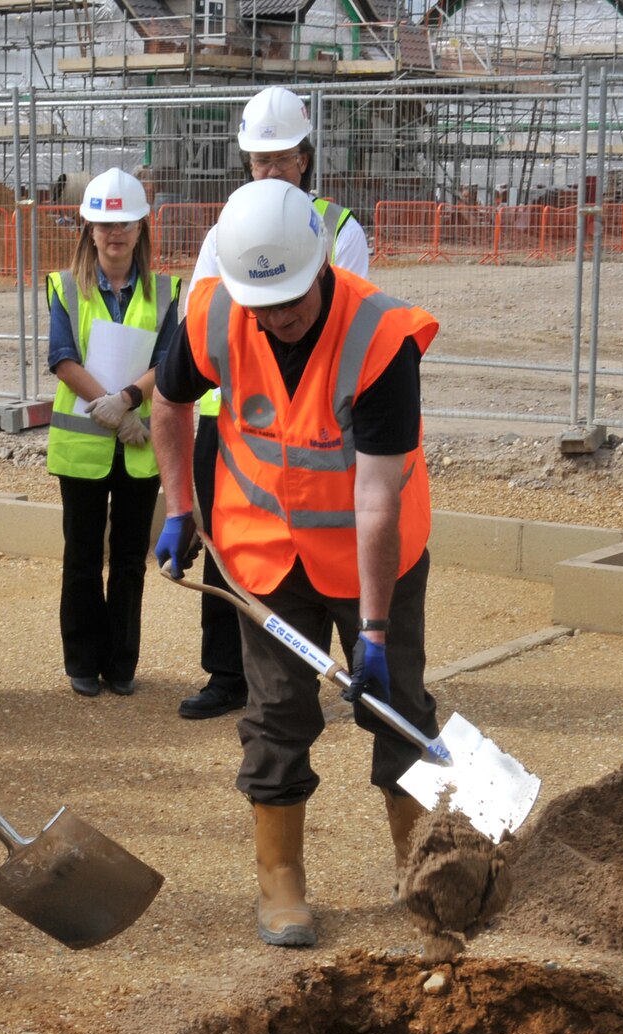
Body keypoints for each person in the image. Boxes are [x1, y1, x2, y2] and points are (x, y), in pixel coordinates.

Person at [150, 179, 437, 950]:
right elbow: (171, 405)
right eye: (262, 306)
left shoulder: (381, 338)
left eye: (292, 300)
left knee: (398, 704)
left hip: (374, 551)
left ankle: (426, 866)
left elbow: (378, 496)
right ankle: (280, 882)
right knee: (276, 711)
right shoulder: (212, 311)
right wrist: (180, 505)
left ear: (322, 269)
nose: (277, 320)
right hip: (264, 550)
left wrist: (372, 632)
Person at [178, 86, 372, 722]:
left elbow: (343, 320)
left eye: (281, 158)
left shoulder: (339, 229)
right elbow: (200, 315)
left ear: (305, 159)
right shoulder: (227, 228)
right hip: (231, 416)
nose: (269, 170)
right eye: (259, 161)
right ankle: (227, 673)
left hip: (314, 423)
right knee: (231, 546)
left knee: (318, 547)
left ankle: (346, 660)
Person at [45, 168, 179, 698]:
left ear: (142, 227)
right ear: (89, 228)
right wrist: (107, 406)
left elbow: (170, 360)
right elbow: (61, 357)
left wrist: (126, 402)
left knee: (128, 560)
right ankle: (82, 660)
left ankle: (121, 664)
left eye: (124, 222)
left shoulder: (165, 291)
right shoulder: (65, 286)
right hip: (83, 447)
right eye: (104, 223)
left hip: (138, 446)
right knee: (80, 557)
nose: (114, 232)